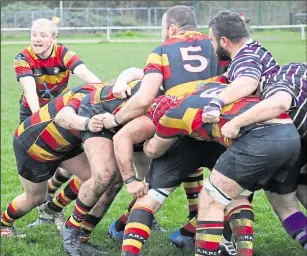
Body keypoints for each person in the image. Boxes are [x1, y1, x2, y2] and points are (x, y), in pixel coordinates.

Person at [110, 82, 300, 256]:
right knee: (238, 197)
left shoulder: (171, 115)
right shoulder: (211, 85)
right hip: (284, 135)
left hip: (248, 140)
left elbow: (153, 150)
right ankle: (238, 250)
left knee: (155, 195)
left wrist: (149, 143)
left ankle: (130, 251)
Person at [100, 6, 233, 253]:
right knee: (234, 195)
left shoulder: (162, 50)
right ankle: (196, 235)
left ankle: (125, 235)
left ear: (171, 28)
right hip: (218, 131)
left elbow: (143, 98)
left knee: (150, 195)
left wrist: (115, 119)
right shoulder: (220, 45)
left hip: (178, 131)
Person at [13, 17, 102, 228]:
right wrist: (38, 120)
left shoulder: (63, 53)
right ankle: (11, 221)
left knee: (92, 173)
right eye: (34, 34)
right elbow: (30, 91)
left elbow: (85, 74)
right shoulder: (23, 57)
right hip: (33, 117)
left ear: (54, 38)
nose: (37, 39)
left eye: (43, 35)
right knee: (36, 194)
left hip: (60, 113)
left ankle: (53, 208)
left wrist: (104, 90)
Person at [220, 62, 307, 250]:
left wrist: (236, 122)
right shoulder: (296, 69)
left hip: (291, 140)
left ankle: (217, 238)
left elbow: (280, 102)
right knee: (300, 188)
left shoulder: (277, 81)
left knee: (284, 204)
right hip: (300, 141)